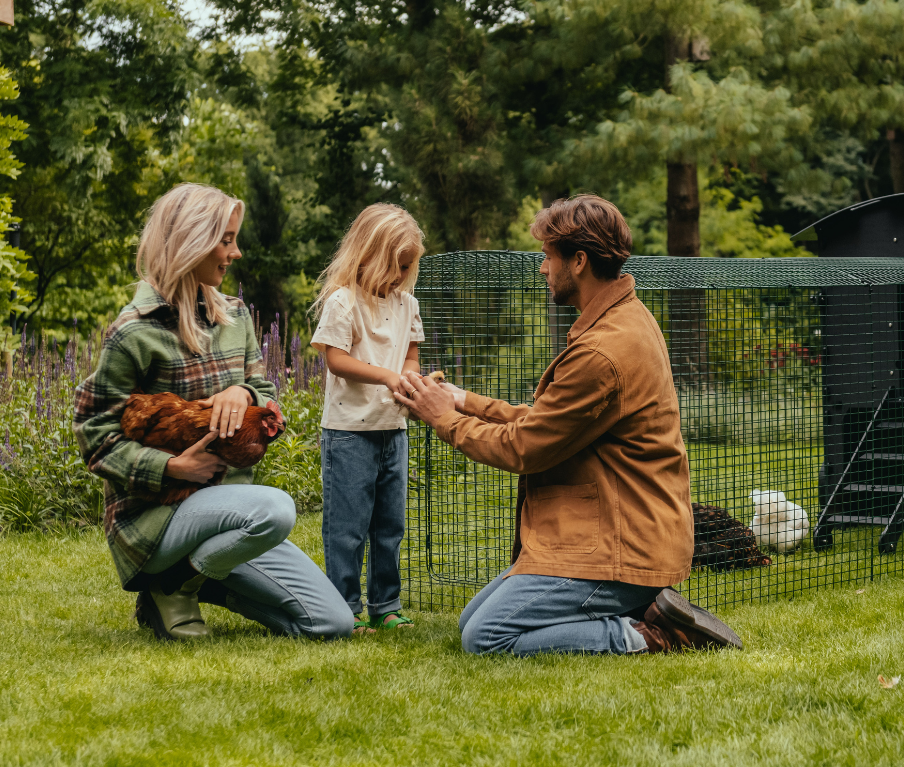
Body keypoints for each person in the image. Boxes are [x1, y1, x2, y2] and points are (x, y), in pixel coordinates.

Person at [395, 195, 742, 655]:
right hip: (625, 533)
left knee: (486, 636)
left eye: (547, 256)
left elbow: (524, 446)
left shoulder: (602, 351)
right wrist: (463, 401)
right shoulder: (624, 319)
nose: (542, 268)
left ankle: (649, 634)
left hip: (624, 546)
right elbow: (550, 422)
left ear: (578, 261)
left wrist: (444, 418)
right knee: (469, 619)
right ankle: (642, 608)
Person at [74, 182, 352, 642]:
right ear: (192, 242)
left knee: (331, 623)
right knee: (276, 510)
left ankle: (194, 581)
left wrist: (242, 393)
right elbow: (94, 431)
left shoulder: (235, 316)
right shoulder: (134, 332)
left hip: (231, 512)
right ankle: (171, 578)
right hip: (158, 518)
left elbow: (265, 390)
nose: (235, 252)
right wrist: (170, 468)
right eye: (226, 240)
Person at [309, 203, 426, 633]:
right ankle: (344, 607)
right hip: (348, 432)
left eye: (407, 266)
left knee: (389, 526)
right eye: (395, 265)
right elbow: (336, 360)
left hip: (393, 428)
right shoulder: (343, 302)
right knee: (347, 527)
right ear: (368, 254)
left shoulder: (407, 304)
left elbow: (410, 357)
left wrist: (410, 379)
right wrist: (387, 376)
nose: (400, 275)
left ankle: (385, 605)